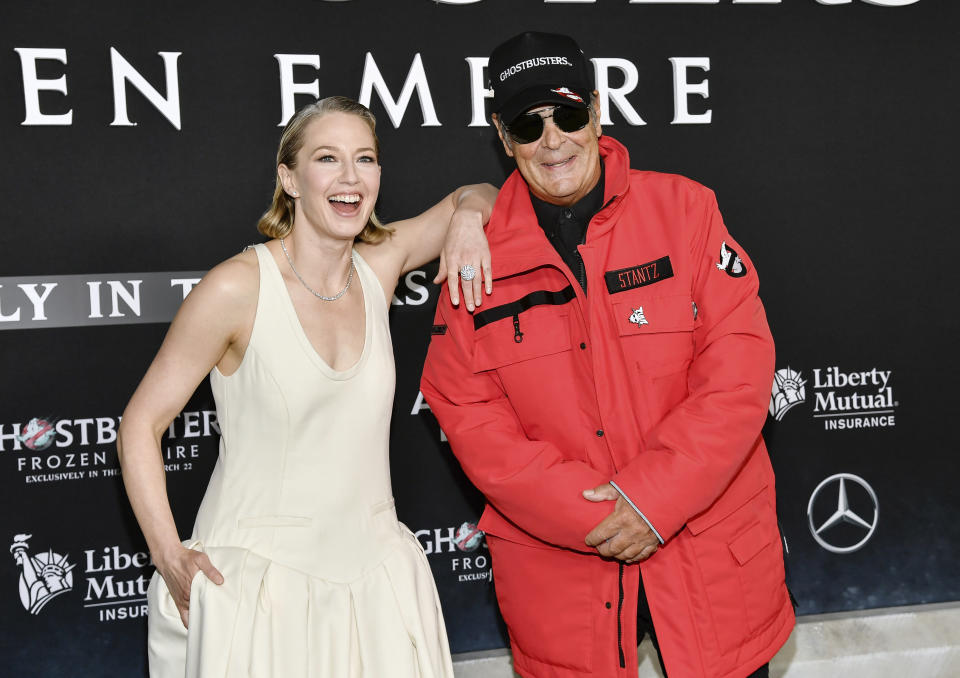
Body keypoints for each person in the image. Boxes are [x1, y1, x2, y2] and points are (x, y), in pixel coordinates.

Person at [421, 32, 794, 678]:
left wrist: (652, 500)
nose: (553, 140)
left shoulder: (686, 209)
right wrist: (598, 514)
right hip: (566, 580)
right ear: (502, 138)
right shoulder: (474, 258)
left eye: (567, 115)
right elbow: (467, 413)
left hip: (707, 564)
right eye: (527, 125)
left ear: (596, 111)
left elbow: (739, 370)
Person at [117, 96, 497, 678]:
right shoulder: (235, 289)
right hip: (259, 591)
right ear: (289, 178)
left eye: (365, 159)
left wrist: (468, 219)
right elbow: (140, 425)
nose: (350, 178)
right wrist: (168, 555)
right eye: (328, 158)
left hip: (375, 585)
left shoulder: (380, 265)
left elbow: (482, 194)